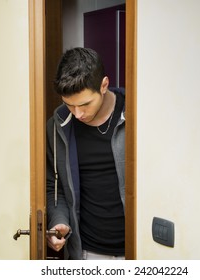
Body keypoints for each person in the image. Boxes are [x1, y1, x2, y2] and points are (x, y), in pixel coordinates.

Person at [46, 47, 125, 260]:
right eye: (70, 105)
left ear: (104, 85)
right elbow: (54, 186)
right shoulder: (57, 126)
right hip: (86, 252)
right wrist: (58, 221)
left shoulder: (137, 111)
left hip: (140, 248)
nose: (78, 114)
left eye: (85, 104)